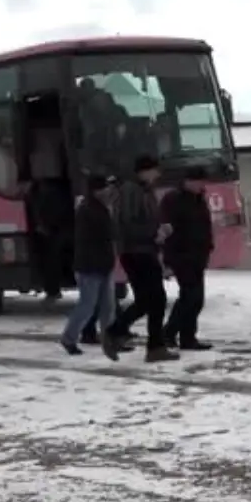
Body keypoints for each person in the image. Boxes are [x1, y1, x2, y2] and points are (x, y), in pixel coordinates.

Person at [101, 155, 178, 363]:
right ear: (144, 171)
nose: (158, 175)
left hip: (142, 250)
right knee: (156, 299)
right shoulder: (131, 191)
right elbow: (127, 224)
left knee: (148, 300)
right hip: (137, 251)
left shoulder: (143, 191)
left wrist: (159, 231)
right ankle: (148, 344)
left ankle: (124, 334)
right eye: (155, 170)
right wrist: (155, 232)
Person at [59, 176, 118, 356]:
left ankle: (110, 340)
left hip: (102, 264)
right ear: (96, 190)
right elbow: (106, 234)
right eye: (105, 188)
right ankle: (68, 338)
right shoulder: (89, 210)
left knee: (107, 307)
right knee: (88, 305)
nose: (109, 191)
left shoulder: (98, 207)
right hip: (90, 266)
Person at [159, 166, 215, 350]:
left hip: (198, 256)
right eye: (201, 181)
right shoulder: (173, 199)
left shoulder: (199, 199)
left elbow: (204, 226)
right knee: (190, 298)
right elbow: (166, 230)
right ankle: (169, 333)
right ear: (189, 181)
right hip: (181, 256)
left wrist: (208, 246)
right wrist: (167, 260)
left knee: (195, 299)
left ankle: (186, 337)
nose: (203, 185)